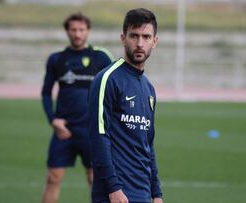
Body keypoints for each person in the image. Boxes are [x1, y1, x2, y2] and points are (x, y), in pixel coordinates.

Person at [88, 8, 163, 203]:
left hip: (144, 193)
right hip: (115, 195)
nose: (140, 43)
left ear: (155, 42)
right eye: (134, 36)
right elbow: (98, 137)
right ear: (123, 38)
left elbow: (148, 145)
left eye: (146, 37)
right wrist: (113, 188)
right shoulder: (107, 79)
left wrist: (156, 193)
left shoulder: (149, 89)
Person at [41, 13, 114, 203]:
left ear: (88, 31)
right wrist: (52, 120)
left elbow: (115, 88)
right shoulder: (56, 59)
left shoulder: (101, 57)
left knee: (94, 179)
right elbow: (46, 93)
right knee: (53, 178)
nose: (77, 34)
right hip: (63, 129)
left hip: (91, 131)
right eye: (73, 29)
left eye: (81, 29)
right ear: (67, 31)